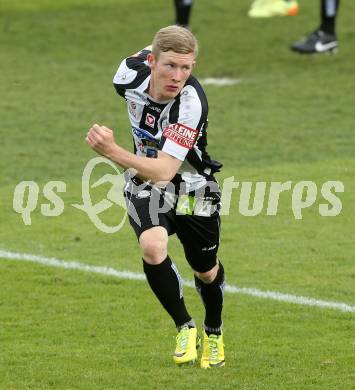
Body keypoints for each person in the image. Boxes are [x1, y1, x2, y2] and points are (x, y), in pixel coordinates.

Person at [86, 25, 225, 368]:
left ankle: (215, 331)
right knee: (152, 246)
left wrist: (112, 150)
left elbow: (165, 170)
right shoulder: (128, 75)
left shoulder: (190, 103)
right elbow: (150, 49)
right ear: (152, 61)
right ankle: (185, 327)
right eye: (170, 66)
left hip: (192, 186)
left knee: (205, 270)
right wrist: (168, 41)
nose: (178, 76)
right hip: (142, 182)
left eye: (187, 68)